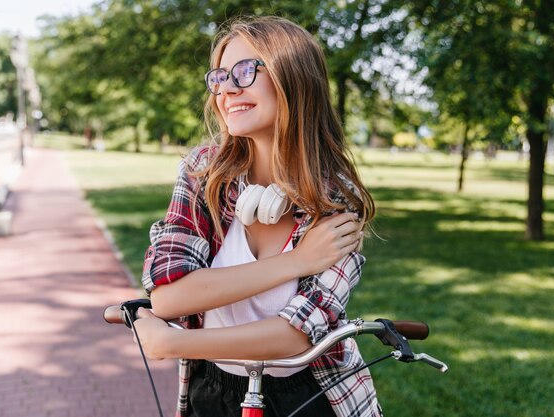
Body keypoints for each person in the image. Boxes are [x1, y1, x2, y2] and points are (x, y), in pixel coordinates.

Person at [133, 16, 382, 417]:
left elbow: (295, 336)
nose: (226, 89)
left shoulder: (337, 199)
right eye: (219, 76)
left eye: (246, 71)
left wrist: (171, 344)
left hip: (311, 396)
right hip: (211, 392)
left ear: (293, 79)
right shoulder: (203, 173)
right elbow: (168, 296)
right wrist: (297, 262)